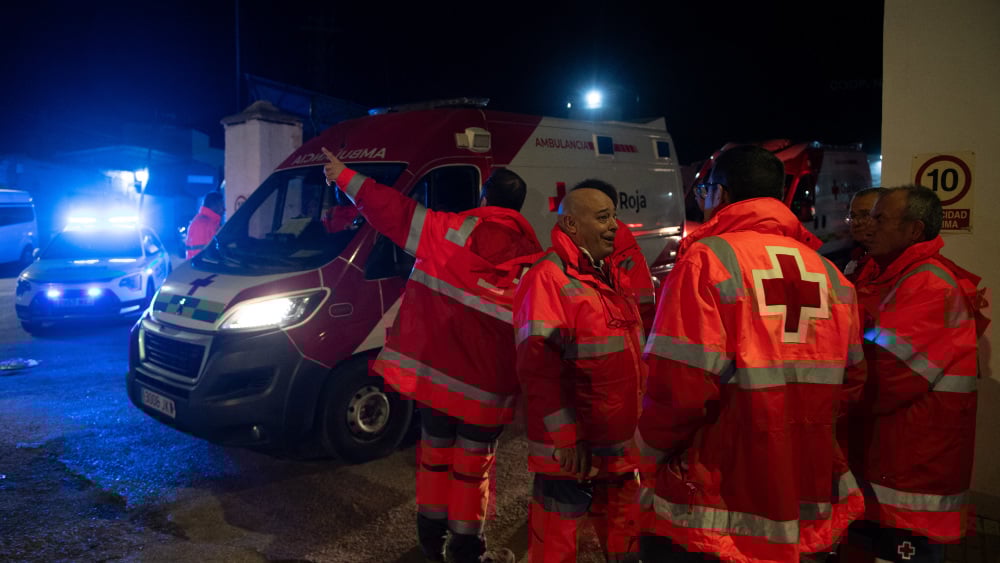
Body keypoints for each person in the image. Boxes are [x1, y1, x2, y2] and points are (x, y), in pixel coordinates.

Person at [636, 145, 866, 562]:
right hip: (804, 477)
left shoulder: (707, 261)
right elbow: (851, 382)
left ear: (720, 194)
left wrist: (648, 451)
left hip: (722, 484)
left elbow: (679, 386)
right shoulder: (831, 275)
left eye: (705, 190)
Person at [322, 147, 541, 563]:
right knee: (472, 469)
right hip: (486, 390)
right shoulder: (535, 262)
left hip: (436, 379)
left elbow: (393, 209)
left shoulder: (444, 230)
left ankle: (430, 539)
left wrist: (345, 176)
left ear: (484, 198)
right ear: (518, 208)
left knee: (436, 459)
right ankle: (465, 549)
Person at [842, 185, 982, 563]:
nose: (869, 226)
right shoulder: (889, 275)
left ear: (914, 230)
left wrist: (823, 400)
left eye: (880, 218)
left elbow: (886, 374)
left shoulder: (928, 284)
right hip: (888, 465)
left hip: (909, 476)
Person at [514, 180, 645, 563]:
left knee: (625, 536)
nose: (614, 226)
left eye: (614, 217)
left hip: (618, 443)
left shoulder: (607, 272)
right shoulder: (548, 278)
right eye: (603, 218)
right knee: (557, 544)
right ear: (571, 224)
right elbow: (537, 366)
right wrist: (566, 437)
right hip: (573, 453)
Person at [841, 187, 888, 280]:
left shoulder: (886, 263)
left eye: (865, 215)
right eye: (853, 216)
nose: (856, 222)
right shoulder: (856, 259)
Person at [185, 191, 224, 259]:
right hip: (201, 265)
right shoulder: (202, 224)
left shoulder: (208, 222)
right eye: (222, 205)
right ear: (215, 206)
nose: (224, 209)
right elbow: (201, 255)